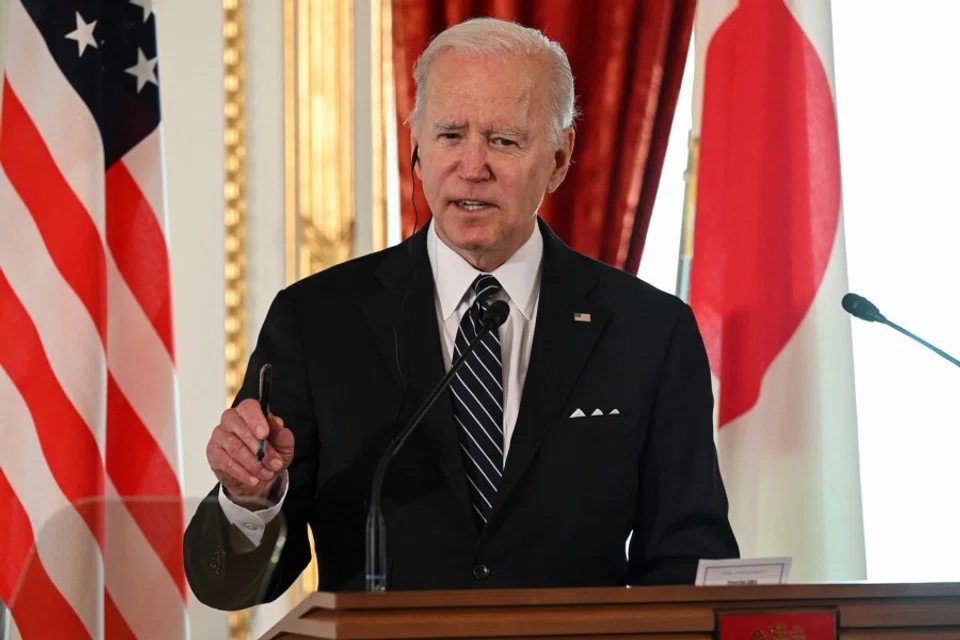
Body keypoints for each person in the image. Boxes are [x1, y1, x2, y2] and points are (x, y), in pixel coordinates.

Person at [183, 17, 738, 609]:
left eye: (504, 140)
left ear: (558, 158)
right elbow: (233, 585)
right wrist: (248, 500)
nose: (472, 167)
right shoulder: (318, 323)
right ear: (417, 148)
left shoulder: (649, 332)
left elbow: (689, 562)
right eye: (450, 135)